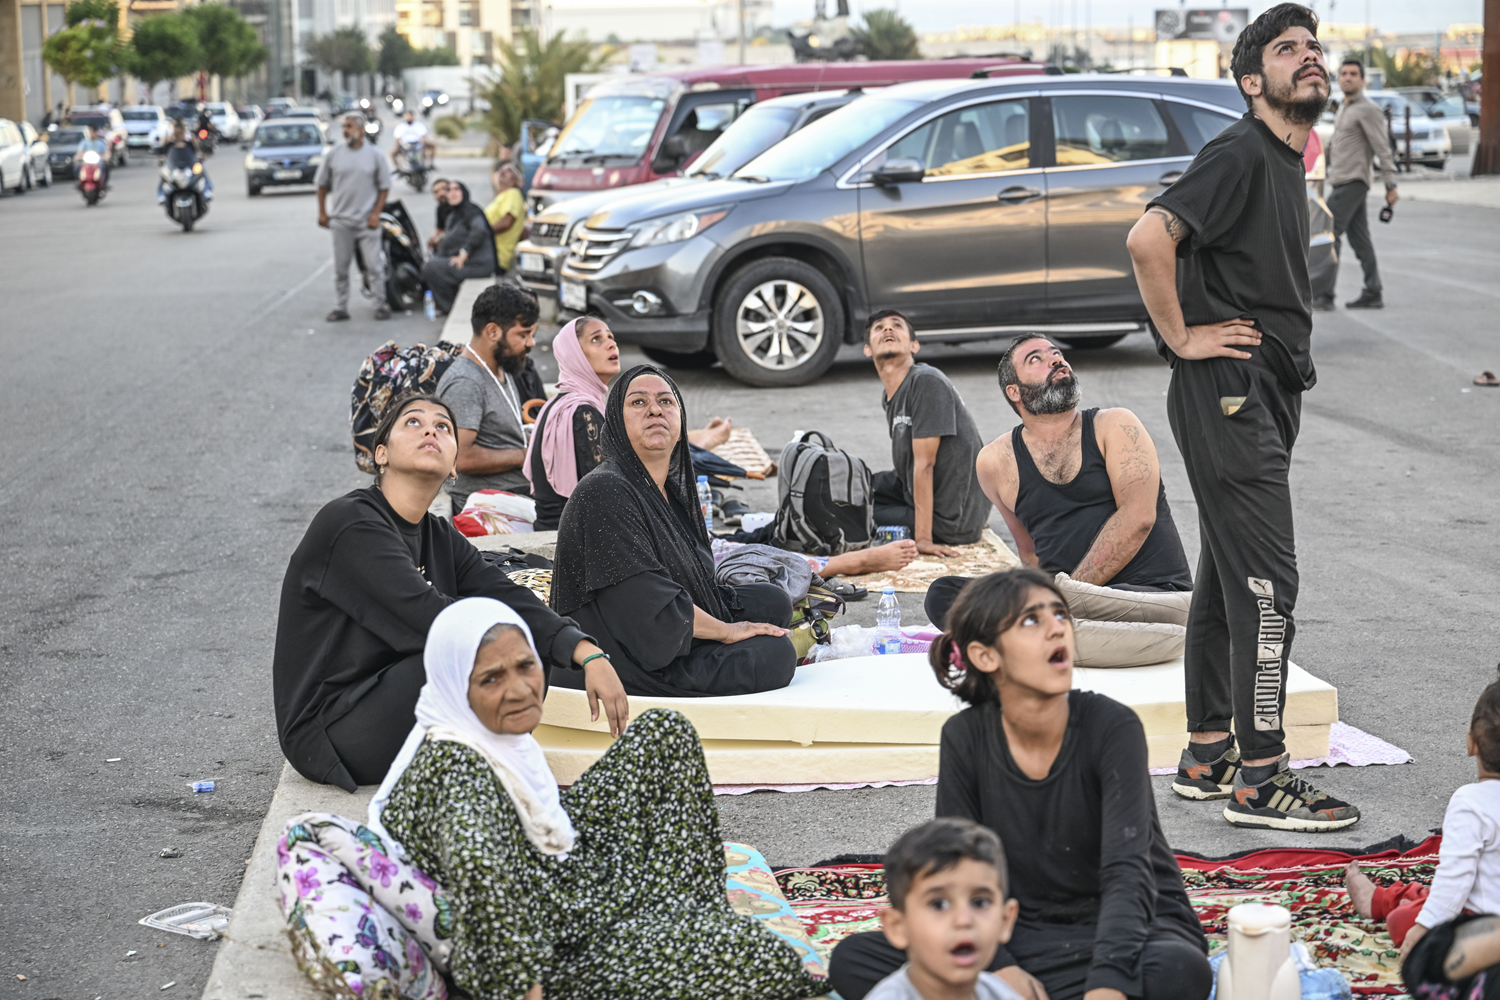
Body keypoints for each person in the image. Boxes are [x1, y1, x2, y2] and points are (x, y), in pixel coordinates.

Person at [1125, 2, 1360, 831]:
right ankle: (1261, 776)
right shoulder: (1240, 152)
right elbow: (1149, 237)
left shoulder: (1283, 159)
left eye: (1315, 46)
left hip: (1260, 389)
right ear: (1252, 80)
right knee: (1270, 583)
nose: (1311, 56)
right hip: (1230, 390)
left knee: (1229, 577)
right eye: (1288, 49)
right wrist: (1181, 337)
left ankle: (1206, 752)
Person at [368, 598, 829, 1000]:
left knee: (662, 733)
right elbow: (485, 882)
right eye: (491, 679)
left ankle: (685, 912)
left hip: (555, 874)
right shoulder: (460, 778)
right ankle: (680, 926)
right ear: (455, 686)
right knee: (761, 959)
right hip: (556, 948)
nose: (519, 689)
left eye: (525, 666)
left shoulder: (480, 734)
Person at [828, 569, 1213, 1000]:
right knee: (855, 958)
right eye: (1032, 620)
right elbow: (955, 868)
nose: (1057, 629)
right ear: (986, 655)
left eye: (1060, 615)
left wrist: (1109, 982)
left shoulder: (1111, 725)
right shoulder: (966, 736)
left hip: (1127, 928)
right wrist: (999, 968)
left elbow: (1128, 872)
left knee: (1179, 972)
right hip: (1011, 931)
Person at [272, 393, 628, 792]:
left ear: (455, 465)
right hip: (333, 725)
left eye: (443, 426)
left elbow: (506, 595)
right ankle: (503, 777)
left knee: (526, 643)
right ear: (382, 454)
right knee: (497, 648)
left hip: (394, 691)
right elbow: (429, 617)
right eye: (413, 422)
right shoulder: (350, 523)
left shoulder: (437, 533)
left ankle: (499, 775)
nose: (430, 429)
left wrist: (586, 652)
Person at [926, 337, 1193, 670]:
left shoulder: (1115, 424)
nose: (1055, 360)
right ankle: (1049, 634)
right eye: (1036, 359)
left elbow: (1138, 518)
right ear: (1014, 391)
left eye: (1057, 354)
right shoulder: (994, 461)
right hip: (1061, 607)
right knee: (944, 594)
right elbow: (1030, 553)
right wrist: (1050, 601)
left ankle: (1020, 638)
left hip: (1144, 596)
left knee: (1173, 617)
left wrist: (1060, 599)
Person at [550, 365, 799, 698]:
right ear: (617, 427)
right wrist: (726, 632)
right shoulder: (605, 490)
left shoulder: (669, 491)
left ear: (681, 425)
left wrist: (734, 625)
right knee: (777, 656)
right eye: (638, 403)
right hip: (627, 657)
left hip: (664, 628)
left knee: (773, 601)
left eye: (666, 401)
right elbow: (643, 602)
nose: (655, 409)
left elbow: (692, 582)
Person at [523, 316, 740, 531]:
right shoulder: (582, 412)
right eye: (596, 339)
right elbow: (608, 494)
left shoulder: (564, 403)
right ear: (574, 354)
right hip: (569, 534)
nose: (611, 344)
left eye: (611, 337)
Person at [1346, 668, 1500, 957]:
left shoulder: (1470, 802)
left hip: (1482, 932)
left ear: (1471, 743)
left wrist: (1424, 928)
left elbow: (1455, 879)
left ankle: (1382, 901)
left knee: (1404, 920)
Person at [864, 310, 992, 556]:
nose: (888, 329)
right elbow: (911, 462)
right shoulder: (892, 394)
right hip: (913, 487)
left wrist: (923, 539)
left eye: (897, 325)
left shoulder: (926, 381)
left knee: (851, 510)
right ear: (867, 349)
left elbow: (925, 464)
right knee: (855, 486)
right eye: (879, 327)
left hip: (951, 520)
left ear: (914, 345)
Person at [864, 818, 1024, 1000]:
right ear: (897, 926)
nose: (964, 920)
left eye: (980, 903)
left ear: (1005, 920)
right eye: (938, 904)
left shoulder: (1001, 994)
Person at [437, 284, 539, 513]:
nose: (531, 343)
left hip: (517, 491)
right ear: (493, 332)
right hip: (489, 504)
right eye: (523, 335)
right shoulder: (465, 382)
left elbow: (500, 433)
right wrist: (525, 455)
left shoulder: (500, 366)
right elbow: (460, 457)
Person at [1319, 58, 1399, 311]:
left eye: (1353, 74)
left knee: (1328, 233)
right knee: (1360, 239)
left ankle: (1324, 294)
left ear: (1363, 80)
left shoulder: (1368, 109)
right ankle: (1373, 291)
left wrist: (1390, 184)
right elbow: (1334, 146)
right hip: (1341, 180)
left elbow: (1382, 148)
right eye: (1343, 73)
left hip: (1353, 182)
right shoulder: (1344, 107)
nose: (1347, 77)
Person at [315, 111, 392, 323]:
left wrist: (376, 213)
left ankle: (380, 304)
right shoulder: (334, 154)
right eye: (343, 127)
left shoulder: (375, 155)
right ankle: (341, 307)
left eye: (349, 126)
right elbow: (321, 185)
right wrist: (322, 212)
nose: (345, 130)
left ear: (361, 130)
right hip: (341, 221)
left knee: (374, 266)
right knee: (341, 267)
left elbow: (384, 187)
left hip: (368, 221)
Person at [420, 181, 498, 316]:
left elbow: (478, 231)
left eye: (457, 189)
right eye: (449, 190)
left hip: (477, 264)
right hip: (466, 262)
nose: (453, 193)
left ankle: (448, 307)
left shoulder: (472, 211)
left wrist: (464, 254)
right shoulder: (452, 215)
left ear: (464, 192)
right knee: (431, 262)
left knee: (431, 267)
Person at [154, 119, 213, 204]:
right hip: (174, 166)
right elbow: (164, 153)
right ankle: (161, 194)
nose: (177, 133)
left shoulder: (190, 139)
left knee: (201, 169)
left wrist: (201, 156)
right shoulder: (170, 140)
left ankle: (207, 190)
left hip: (189, 164)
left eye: (179, 130)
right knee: (163, 173)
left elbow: (196, 151)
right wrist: (161, 158)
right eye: (175, 130)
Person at [484, 163, 526, 275]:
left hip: (496, 254)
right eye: (502, 169)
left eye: (509, 171)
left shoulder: (513, 193)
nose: (503, 171)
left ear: (517, 181)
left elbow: (507, 222)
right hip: (487, 250)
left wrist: (483, 231)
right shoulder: (501, 197)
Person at [426, 177, 450, 251]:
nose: (441, 193)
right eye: (436, 192)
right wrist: (432, 238)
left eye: (444, 189)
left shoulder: (461, 208)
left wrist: (440, 238)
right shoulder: (440, 208)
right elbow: (439, 228)